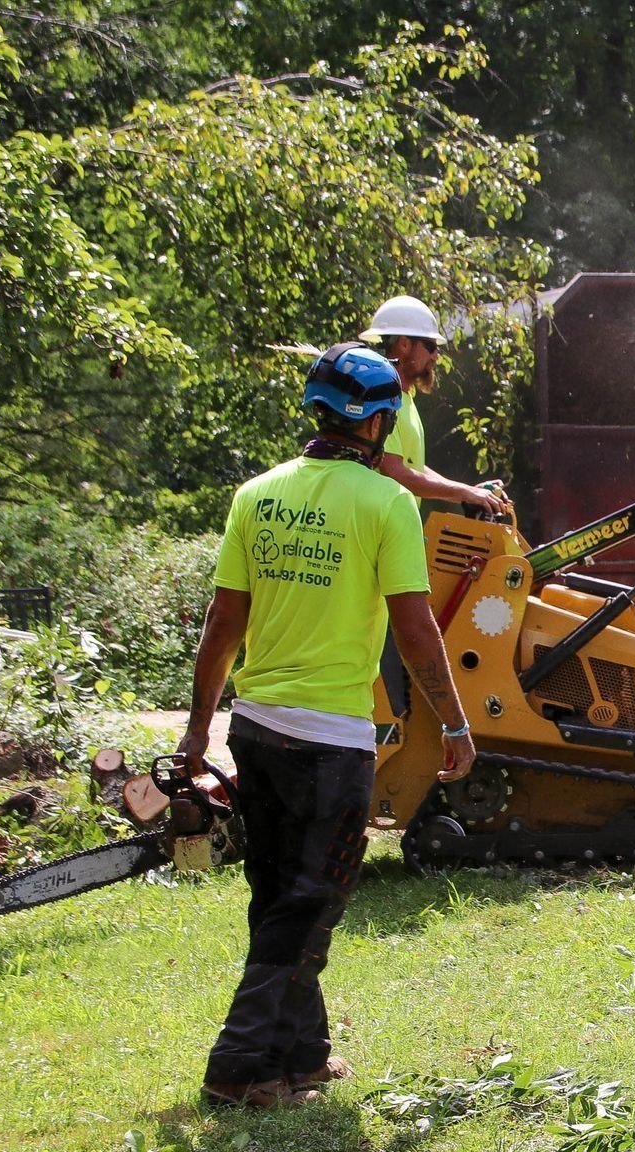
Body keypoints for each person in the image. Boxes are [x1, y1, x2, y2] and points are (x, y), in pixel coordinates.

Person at [180, 341, 476, 1109]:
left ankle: (303, 1054)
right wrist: (453, 721)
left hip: (255, 731)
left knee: (280, 893)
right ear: (381, 423)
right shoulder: (388, 505)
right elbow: (416, 633)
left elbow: (222, 627)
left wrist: (196, 730)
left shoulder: (257, 494)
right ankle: (240, 1066)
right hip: (332, 741)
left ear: (316, 410)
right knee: (313, 903)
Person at [359, 295, 511, 516]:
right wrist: (463, 493)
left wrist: (467, 491)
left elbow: (412, 468)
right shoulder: (382, 397)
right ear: (403, 344)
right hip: (377, 527)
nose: (436, 356)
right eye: (430, 346)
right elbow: (394, 472)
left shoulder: (404, 398)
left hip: (395, 526)